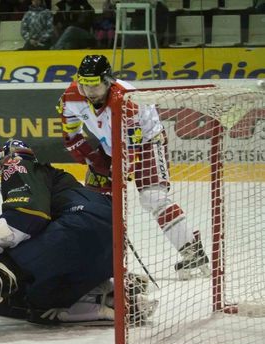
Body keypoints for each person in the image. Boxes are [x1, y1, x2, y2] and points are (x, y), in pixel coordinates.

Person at [0, 139, 157, 344]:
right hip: (111, 248)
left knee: (3, 268)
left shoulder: (16, 163)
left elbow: (25, 220)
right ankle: (107, 297)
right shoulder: (55, 180)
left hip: (79, 227)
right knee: (39, 303)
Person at [57, 55, 210, 280]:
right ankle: (93, 260)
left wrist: (117, 173)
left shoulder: (128, 100)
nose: (89, 91)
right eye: (84, 85)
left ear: (108, 81)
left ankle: (191, 250)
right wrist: (94, 160)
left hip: (148, 142)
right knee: (93, 205)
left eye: (95, 85)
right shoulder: (71, 97)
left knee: (153, 198)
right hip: (109, 146)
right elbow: (71, 135)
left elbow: (132, 147)